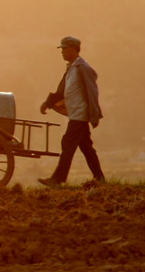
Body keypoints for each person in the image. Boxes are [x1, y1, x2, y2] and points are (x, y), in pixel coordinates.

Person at [38, 36, 105, 187]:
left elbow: (92, 91)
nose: (62, 51)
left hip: (80, 115)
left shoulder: (83, 68)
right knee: (87, 148)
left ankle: (57, 179)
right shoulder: (71, 68)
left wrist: (93, 113)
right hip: (75, 114)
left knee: (67, 143)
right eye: (61, 48)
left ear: (74, 49)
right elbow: (62, 91)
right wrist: (47, 103)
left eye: (65, 48)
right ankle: (100, 179)